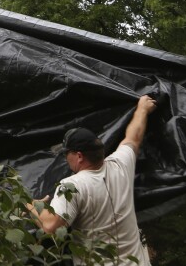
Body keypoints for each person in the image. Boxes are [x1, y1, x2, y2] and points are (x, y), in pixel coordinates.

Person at [27, 94, 158, 265]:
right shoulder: (121, 164)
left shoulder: (72, 186)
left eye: (67, 154)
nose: (66, 158)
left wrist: (28, 203)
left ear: (79, 156)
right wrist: (142, 109)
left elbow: (51, 227)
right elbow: (134, 136)